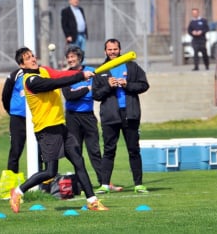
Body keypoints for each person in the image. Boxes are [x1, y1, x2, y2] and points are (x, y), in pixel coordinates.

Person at [9, 47, 108, 213]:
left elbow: (62, 75)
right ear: (22, 64)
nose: (33, 59)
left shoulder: (44, 70)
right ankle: (18, 191)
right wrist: (80, 76)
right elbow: (54, 83)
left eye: (33, 55)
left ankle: (92, 201)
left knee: (79, 161)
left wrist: (80, 74)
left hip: (61, 126)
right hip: (47, 130)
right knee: (50, 171)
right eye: (28, 58)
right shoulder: (30, 80)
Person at [92, 39, 149, 194]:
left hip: (130, 114)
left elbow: (144, 85)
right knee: (109, 150)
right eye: (109, 49)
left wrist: (127, 84)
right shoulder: (101, 70)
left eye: (115, 49)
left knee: (133, 150)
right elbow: (96, 95)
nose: (112, 52)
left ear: (120, 49)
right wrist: (108, 86)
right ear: (105, 51)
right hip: (110, 116)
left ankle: (138, 184)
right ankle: (105, 184)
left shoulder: (132, 66)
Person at [61, 46, 121, 192]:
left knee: (94, 151)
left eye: (73, 57)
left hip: (88, 116)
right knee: (76, 151)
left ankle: (104, 183)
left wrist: (83, 90)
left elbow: (95, 93)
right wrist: (86, 89)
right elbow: (69, 96)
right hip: (72, 117)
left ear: (79, 57)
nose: (70, 60)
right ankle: (81, 185)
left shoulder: (91, 71)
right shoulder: (65, 75)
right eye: (68, 57)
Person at [1, 68, 43, 173]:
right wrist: (12, 111)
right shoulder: (15, 75)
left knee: (40, 150)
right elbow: (5, 96)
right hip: (18, 118)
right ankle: (11, 179)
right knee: (15, 149)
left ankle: (42, 180)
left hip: (35, 117)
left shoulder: (41, 73)